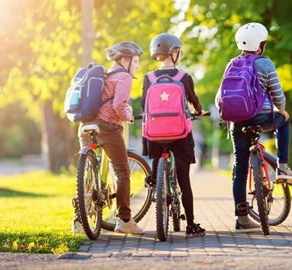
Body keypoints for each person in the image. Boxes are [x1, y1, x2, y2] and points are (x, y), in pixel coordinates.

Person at [215, 22, 292, 232]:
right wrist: (282, 109)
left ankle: (242, 218)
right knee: (285, 121)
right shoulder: (265, 63)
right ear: (261, 44)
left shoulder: (231, 63)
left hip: (237, 122)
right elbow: (278, 96)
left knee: (240, 168)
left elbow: (220, 97)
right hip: (261, 117)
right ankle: (283, 165)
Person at [72, 41, 145, 234]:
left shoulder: (105, 75)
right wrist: (128, 116)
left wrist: (124, 110)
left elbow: (108, 101)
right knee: (122, 171)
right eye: (135, 61)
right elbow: (118, 107)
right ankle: (125, 220)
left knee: (87, 171)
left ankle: (79, 221)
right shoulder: (124, 77)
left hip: (86, 126)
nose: (137, 66)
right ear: (124, 60)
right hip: (107, 128)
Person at [141, 33, 207, 238]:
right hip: (180, 134)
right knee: (184, 179)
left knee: (155, 152)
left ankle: (154, 179)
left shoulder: (148, 78)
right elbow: (194, 102)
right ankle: (191, 224)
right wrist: (199, 111)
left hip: (154, 134)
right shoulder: (184, 77)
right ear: (174, 52)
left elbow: (145, 105)